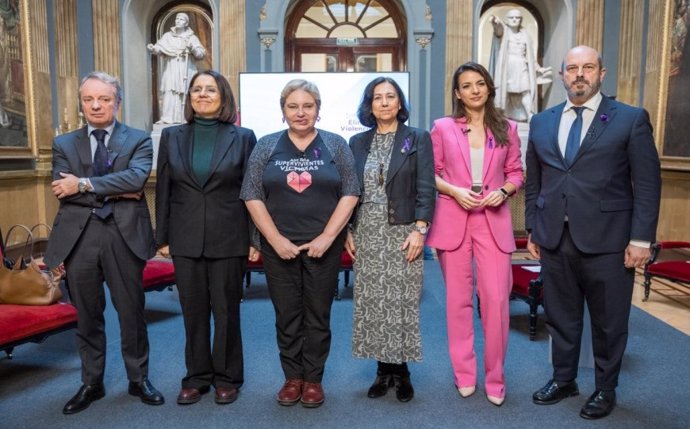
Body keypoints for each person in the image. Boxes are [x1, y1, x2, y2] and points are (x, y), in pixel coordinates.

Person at [525, 45, 661, 419]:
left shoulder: (629, 119)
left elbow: (647, 183)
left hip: (610, 242)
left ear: (602, 73)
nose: (579, 74)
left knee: (608, 321)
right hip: (555, 238)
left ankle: (605, 388)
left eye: (588, 67)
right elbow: (535, 182)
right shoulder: (542, 121)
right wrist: (533, 229)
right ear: (562, 76)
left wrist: (641, 239)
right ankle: (564, 379)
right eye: (572, 68)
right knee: (561, 316)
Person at [43, 71, 164, 414]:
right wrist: (115, 188)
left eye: (105, 99)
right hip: (79, 237)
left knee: (131, 312)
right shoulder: (64, 143)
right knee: (88, 316)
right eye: (89, 99)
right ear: (81, 103)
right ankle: (91, 382)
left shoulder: (139, 139)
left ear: (117, 102)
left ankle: (138, 379)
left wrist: (81, 184)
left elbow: (137, 180)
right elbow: (60, 190)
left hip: (124, 235)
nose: (96, 105)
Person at [240, 79, 359, 408]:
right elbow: (251, 194)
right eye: (293, 106)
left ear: (318, 110)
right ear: (283, 111)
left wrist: (327, 237)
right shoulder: (266, 146)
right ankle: (293, 378)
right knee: (287, 315)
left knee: (317, 315)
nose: (300, 112)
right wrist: (275, 240)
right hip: (279, 248)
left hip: (324, 247)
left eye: (308, 106)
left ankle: (314, 380)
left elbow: (350, 192)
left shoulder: (336, 145)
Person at [155, 70, 259, 406]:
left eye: (210, 89)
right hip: (184, 238)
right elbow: (164, 190)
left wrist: (253, 238)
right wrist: (163, 237)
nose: (202, 94)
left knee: (227, 310)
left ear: (223, 96)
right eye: (196, 89)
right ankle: (196, 377)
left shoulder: (243, 137)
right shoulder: (172, 137)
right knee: (193, 310)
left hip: (229, 236)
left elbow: (252, 193)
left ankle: (227, 377)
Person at [426, 62, 524, 407]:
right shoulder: (442, 127)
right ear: (458, 93)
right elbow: (431, 173)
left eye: (479, 83)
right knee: (458, 302)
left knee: (497, 301)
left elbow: (516, 171)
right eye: (466, 85)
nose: (474, 90)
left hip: (493, 220)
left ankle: (496, 378)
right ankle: (464, 374)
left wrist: (507, 189)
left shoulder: (508, 128)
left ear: (489, 87)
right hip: (454, 218)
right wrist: (454, 191)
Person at [345, 77, 435, 403]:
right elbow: (349, 191)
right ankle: (382, 371)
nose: (384, 102)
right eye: (377, 98)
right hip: (367, 230)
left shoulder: (417, 138)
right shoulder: (357, 142)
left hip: (403, 231)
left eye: (390, 96)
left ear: (400, 103)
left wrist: (420, 229)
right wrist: (347, 230)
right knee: (373, 303)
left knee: (401, 302)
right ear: (369, 105)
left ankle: (403, 372)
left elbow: (426, 186)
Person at [147, 12, 206, 124]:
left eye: (181, 19)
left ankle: (186, 117)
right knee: (169, 91)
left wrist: (192, 47)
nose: (178, 21)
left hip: (186, 68)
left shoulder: (191, 37)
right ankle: (167, 118)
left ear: (186, 23)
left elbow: (200, 54)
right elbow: (159, 48)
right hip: (171, 67)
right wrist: (153, 48)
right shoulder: (167, 36)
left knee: (186, 91)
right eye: (177, 19)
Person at [490, 9, 537, 122]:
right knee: (505, 90)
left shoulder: (525, 34)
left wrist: (538, 68)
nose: (515, 19)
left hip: (522, 65)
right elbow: (498, 30)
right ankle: (501, 115)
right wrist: (495, 23)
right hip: (507, 66)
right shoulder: (504, 31)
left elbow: (530, 56)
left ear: (521, 20)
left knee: (526, 90)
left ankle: (530, 114)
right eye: (512, 18)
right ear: (507, 20)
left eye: (517, 17)